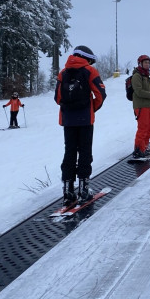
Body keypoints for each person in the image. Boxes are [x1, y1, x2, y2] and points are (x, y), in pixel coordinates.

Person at [55, 45, 106, 203]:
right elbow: (101, 94)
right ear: (87, 58)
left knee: (69, 151)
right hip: (85, 119)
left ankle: (68, 191)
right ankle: (84, 189)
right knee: (85, 151)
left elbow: (57, 98)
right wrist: (92, 108)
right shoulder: (90, 71)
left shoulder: (63, 73)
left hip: (68, 120)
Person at [130, 54, 150, 158]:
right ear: (140, 63)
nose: (147, 64)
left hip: (146, 105)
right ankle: (138, 150)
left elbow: (147, 90)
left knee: (149, 127)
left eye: (148, 62)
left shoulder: (145, 75)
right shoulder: (137, 76)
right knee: (143, 128)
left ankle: (144, 147)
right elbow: (139, 91)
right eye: (145, 62)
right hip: (140, 106)